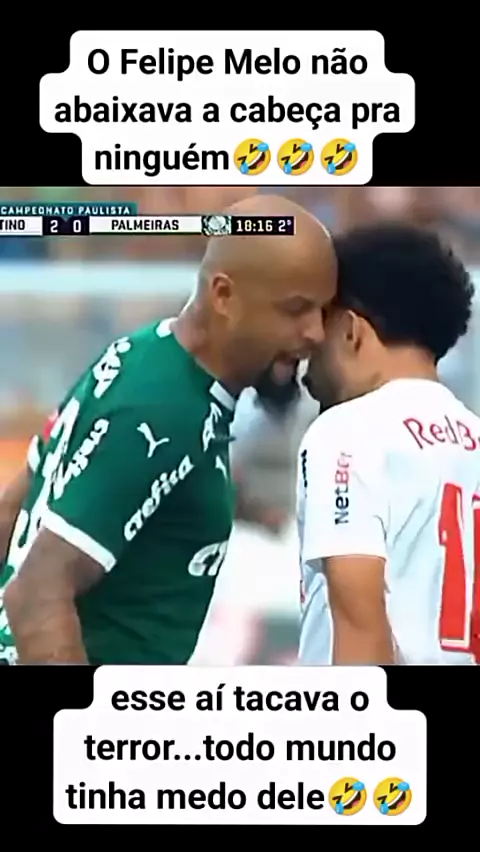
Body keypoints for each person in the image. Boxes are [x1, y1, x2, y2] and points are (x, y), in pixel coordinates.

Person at [0, 194, 337, 664]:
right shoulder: (161, 410)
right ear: (224, 296)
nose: (315, 333)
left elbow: (13, 507)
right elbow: (37, 593)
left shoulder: (143, 355)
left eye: (322, 312)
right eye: (295, 309)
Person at [297, 222, 480, 666]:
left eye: (318, 317)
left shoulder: (346, 431)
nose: (306, 339)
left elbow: (361, 636)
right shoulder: (474, 437)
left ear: (350, 329)